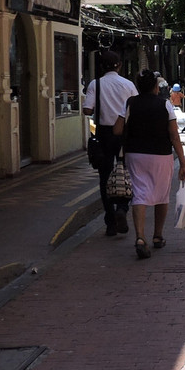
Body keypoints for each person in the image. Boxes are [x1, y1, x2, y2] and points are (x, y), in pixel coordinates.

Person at [114, 70, 185, 259]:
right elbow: (174, 135)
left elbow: (117, 129)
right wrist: (183, 163)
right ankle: (157, 236)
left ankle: (140, 237)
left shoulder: (131, 103)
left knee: (139, 194)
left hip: (135, 154)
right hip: (161, 155)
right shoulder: (165, 104)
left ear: (138, 86)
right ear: (156, 86)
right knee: (161, 195)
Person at [82, 50, 138, 236]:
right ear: (119, 65)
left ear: (101, 67)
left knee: (104, 177)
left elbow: (87, 110)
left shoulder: (95, 84)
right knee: (126, 174)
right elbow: (135, 108)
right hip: (125, 134)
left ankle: (110, 220)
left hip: (104, 134)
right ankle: (122, 208)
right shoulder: (128, 84)